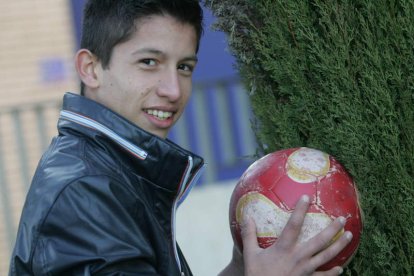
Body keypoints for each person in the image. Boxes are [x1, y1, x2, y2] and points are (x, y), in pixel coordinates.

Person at [9, 0, 352, 275]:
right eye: (149, 62)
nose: (173, 90)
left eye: (184, 67)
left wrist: (239, 271)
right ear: (91, 68)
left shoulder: (114, 171)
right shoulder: (86, 192)